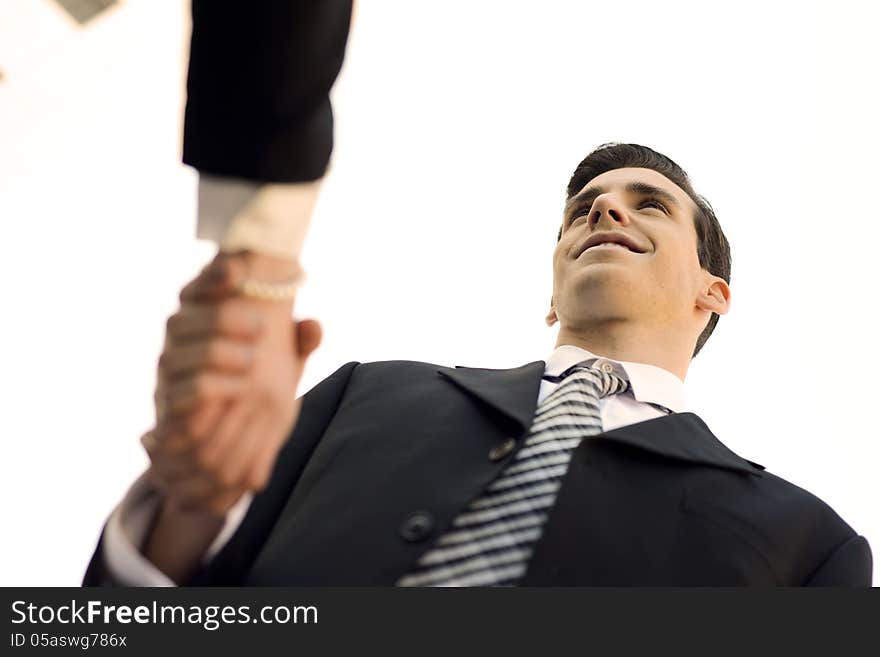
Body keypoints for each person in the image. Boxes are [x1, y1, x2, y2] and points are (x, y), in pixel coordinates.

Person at [84, 143, 872, 586]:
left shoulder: (809, 544)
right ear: (553, 291)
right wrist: (184, 502)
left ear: (715, 292)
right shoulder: (365, 393)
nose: (604, 209)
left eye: (650, 204)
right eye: (584, 207)